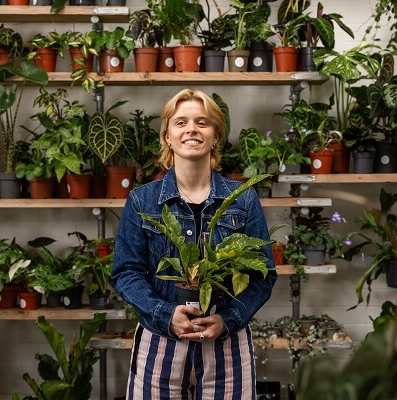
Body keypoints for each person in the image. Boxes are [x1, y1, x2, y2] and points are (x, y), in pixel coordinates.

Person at [112, 88, 277, 399]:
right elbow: (126, 272)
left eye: (202, 122)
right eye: (181, 122)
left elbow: (262, 275)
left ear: (215, 136)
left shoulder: (241, 198)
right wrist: (163, 313)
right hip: (161, 342)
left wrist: (228, 319)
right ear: (168, 137)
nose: (191, 129)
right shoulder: (142, 200)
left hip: (226, 344)